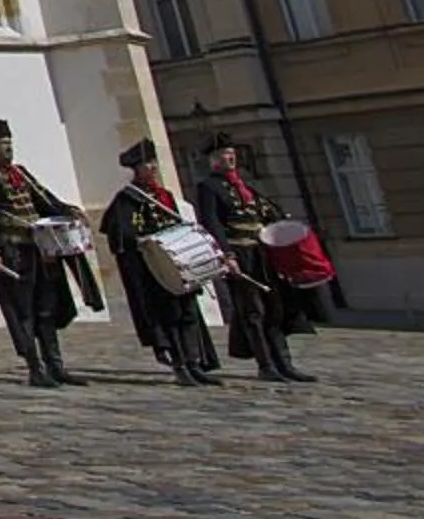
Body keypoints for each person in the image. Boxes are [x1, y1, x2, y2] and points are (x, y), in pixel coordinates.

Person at [0, 119, 93, 388]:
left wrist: (67, 210)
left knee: (45, 308)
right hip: (13, 251)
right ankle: (35, 367)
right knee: (22, 310)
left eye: (9, 143)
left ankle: (56, 365)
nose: (8, 149)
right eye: (2, 144)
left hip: (39, 250)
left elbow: (43, 200)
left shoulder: (21, 173)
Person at [192, 131, 323, 384]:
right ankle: (266, 365)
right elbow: (212, 223)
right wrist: (226, 255)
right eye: (222, 155)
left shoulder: (246, 187)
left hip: (261, 255)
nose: (229, 159)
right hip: (240, 253)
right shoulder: (209, 187)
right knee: (254, 312)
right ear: (213, 160)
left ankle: (284, 363)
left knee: (275, 308)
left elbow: (268, 214)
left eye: (231, 154)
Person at [99, 138, 223, 387]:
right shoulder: (128, 199)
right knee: (170, 316)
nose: (152, 168)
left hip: (178, 265)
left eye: (153, 163)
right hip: (155, 270)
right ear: (137, 169)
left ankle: (194, 361)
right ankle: (179, 364)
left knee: (188, 313)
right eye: (147, 164)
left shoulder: (164, 195)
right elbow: (120, 233)